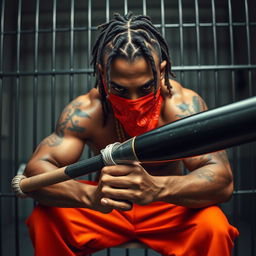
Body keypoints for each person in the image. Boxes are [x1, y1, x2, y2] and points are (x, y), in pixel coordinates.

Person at [24, 12, 239, 256]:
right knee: (45, 218)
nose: (134, 101)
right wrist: (89, 196)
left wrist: (157, 188)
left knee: (214, 227)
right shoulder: (87, 111)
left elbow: (223, 182)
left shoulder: (182, 107)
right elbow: (35, 173)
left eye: (146, 87)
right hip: (107, 208)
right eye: (120, 89)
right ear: (102, 73)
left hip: (168, 206)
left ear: (161, 71)